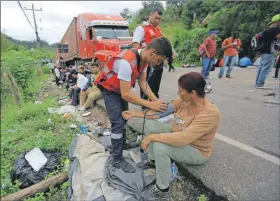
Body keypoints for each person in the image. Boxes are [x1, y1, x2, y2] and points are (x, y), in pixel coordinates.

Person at [121, 72, 220, 200]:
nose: (178, 93)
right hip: (177, 135)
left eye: (180, 91)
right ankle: (154, 161)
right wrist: (134, 114)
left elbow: (183, 138)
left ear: (193, 93)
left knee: (160, 146)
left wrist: (152, 138)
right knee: (151, 126)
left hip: (196, 149)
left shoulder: (210, 113)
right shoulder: (185, 101)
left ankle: (162, 187)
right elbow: (161, 113)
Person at [95, 37, 173, 173]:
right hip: (109, 89)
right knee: (117, 122)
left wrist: (155, 101)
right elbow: (126, 94)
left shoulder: (143, 60)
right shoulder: (126, 62)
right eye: (159, 60)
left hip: (119, 88)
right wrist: (151, 105)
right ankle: (117, 158)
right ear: (152, 53)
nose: (158, 64)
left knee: (125, 116)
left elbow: (143, 83)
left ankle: (122, 143)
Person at [132, 7, 164, 101]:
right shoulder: (141, 28)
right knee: (146, 81)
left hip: (158, 60)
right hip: (147, 60)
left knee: (156, 81)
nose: (157, 20)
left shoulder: (158, 30)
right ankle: (145, 102)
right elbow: (135, 44)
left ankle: (154, 100)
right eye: (156, 17)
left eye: (159, 19)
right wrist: (140, 61)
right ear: (150, 15)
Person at [255, 14, 280, 88]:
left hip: (264, 51)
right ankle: (260, 84)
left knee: (262, 67)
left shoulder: (269, 29)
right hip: (269, 51)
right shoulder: (274, 29)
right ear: (278, 21)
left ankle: (258, 83)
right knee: (266, 68)